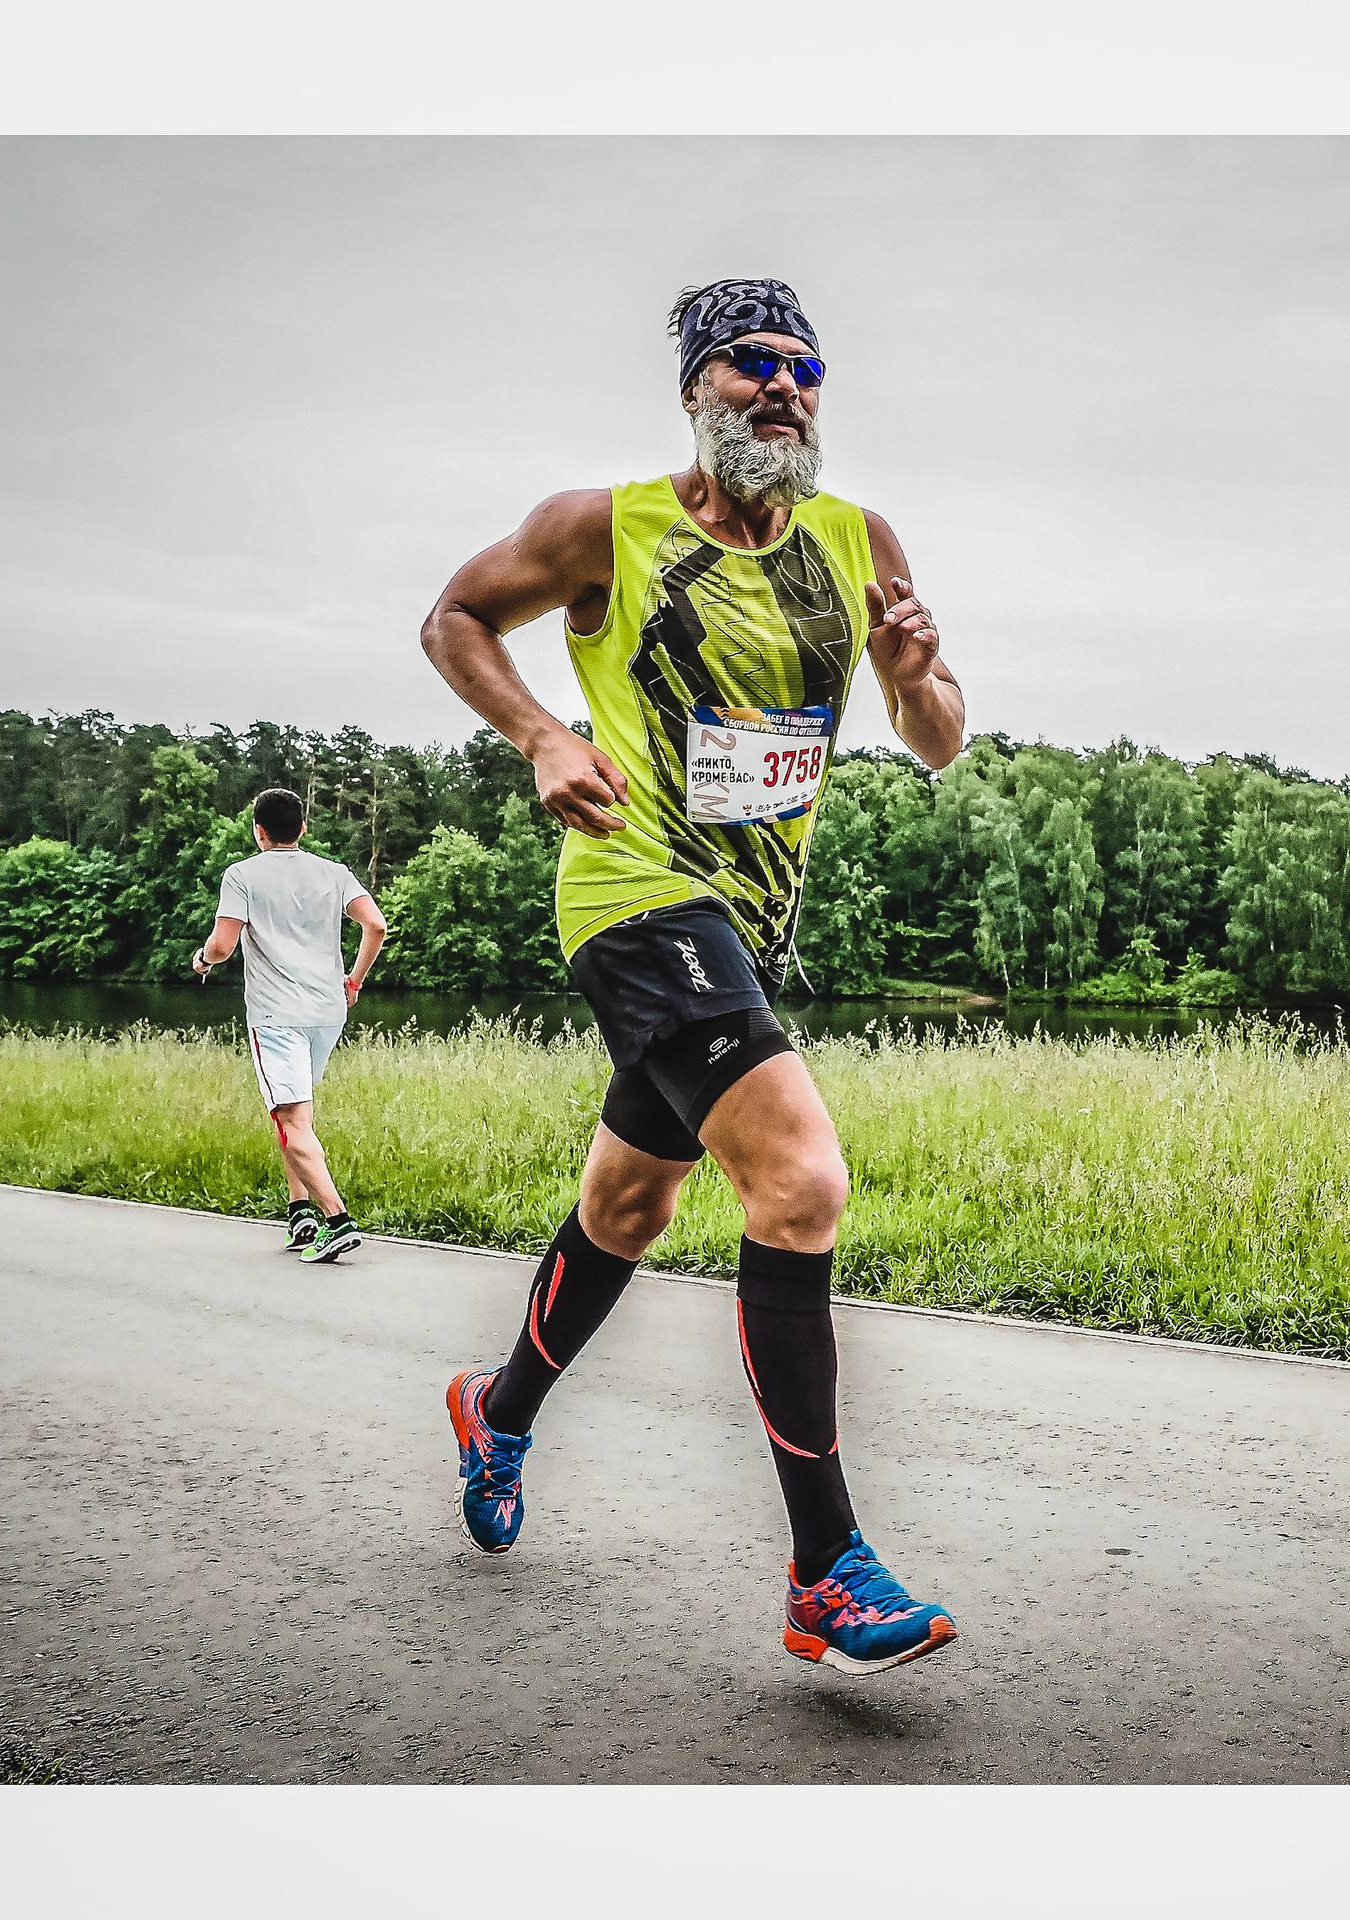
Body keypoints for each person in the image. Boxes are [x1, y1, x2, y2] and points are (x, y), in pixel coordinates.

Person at [419, 278, 968, 1675]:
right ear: (693, 389)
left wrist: (914, 679)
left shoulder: (861, 542)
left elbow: (943, 737)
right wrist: (543, 733)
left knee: (629, 1200)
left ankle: (499, 1408)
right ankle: (826, 1566)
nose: (781, 386)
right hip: (632, 893)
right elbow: (454, 620)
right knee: (802, 1183)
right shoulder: (606, 528)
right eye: (747, 365)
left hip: (747, 919)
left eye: (804, 367)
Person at [192, 788, 389, 1265]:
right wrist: (355, 981)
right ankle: (299, 1210)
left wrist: (201, 961)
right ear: (302, 828)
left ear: (259, 831)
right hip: (327, 1011)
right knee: (297, 1116)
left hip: (276, 1015)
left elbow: (222, 946)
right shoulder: (334, 873)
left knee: (290, 1118)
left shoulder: (242, 875)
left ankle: (337, 1221)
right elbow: (377, 926)